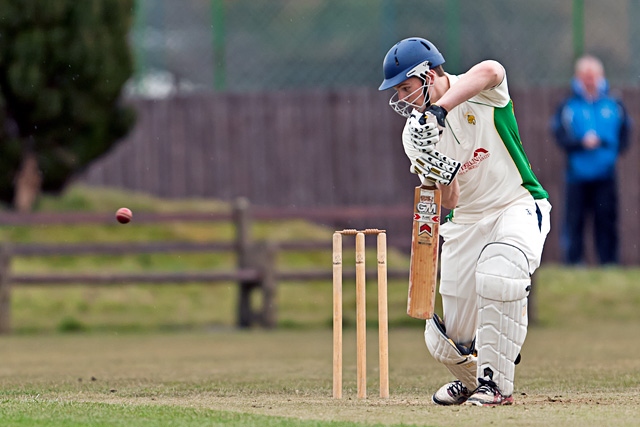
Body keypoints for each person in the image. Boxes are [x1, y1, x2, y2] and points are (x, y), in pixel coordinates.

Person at [378, 37, 551, 406]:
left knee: (500, 271)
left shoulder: (477, 89)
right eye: (397, 92)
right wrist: (438, 167)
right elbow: (450, 200)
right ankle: (473, 378)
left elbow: (492, 69)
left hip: (515, 203)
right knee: (446, 341)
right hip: (465, 220)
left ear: (428, 74)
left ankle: (495, 386)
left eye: (406, 88)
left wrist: (439, 111)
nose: (403, 99)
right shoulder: (414, 134)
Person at [551, 55, 631, 265]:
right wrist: (580, 143)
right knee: (574, 221)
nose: (589, 80)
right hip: (577, 174)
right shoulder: (568, 105)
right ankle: (574, 263)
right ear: (578, 78)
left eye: (593, 76)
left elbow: (625, 133)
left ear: (600, 77)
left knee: (606, 220)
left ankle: (608, 263)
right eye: (585, 76)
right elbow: (559, 134)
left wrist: (610, 152)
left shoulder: (614, 104)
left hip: (605, 174)